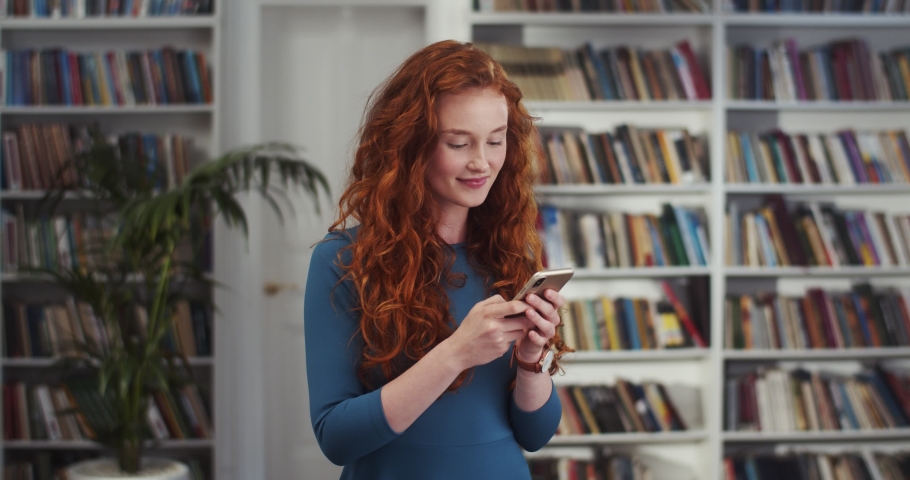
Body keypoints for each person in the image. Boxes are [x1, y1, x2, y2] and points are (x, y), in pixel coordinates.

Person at [304, 39, 572, 479]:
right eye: (459, 143)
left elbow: (536, 433)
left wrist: (531, 358)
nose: (482, 163)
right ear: (410, 145)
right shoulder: (342, 261)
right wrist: (456, 354)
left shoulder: (510, 255)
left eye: (495, 140)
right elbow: (336, 437)